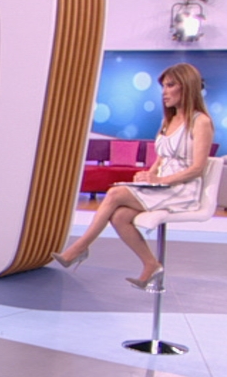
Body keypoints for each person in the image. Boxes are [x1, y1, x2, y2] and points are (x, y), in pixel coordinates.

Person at [52, 63, 215, 290]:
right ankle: (151, 264)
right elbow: (162, 158)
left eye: (170, 85)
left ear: (187, 86)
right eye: (163, 86)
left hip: (182, 189)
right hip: (162, 186)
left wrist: (161, 181)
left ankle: (80, 247)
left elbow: (197, 168)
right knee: (120, 216)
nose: (164, 92)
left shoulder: (201, 122)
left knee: (114, 194)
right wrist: (150, 173)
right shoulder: (168, 121)